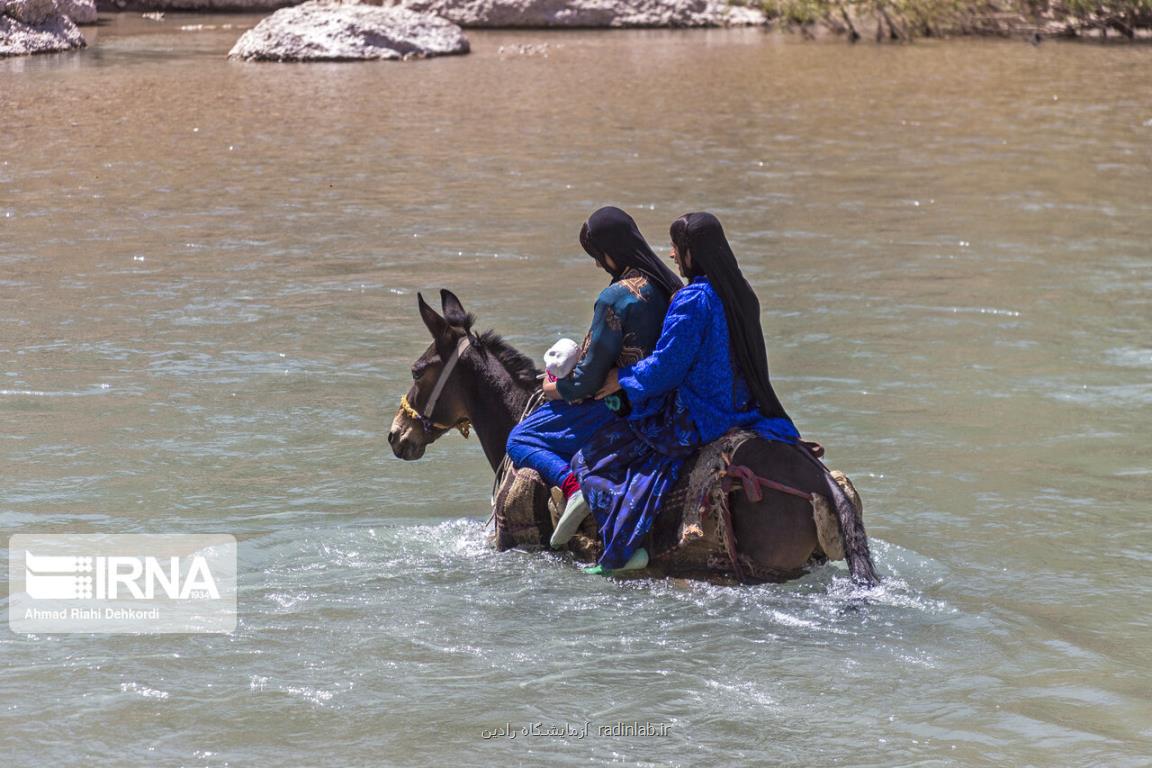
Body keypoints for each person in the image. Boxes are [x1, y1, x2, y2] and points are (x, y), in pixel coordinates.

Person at [558, 212, 800, 574]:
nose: (671, 255)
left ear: (691, 252)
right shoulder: (741, 293)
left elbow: (666, 368)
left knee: (596, 459)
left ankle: (622, 547)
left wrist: (621, 379)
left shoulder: (693, 300)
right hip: (747, 409)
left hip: (700, 415)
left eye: (676, 247)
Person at [505, 207, 682, 541]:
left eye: (598, 256)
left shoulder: (614, 298)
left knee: (519, 439)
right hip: (662, 398)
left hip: (616, 406)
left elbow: (587, 381)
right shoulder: (665, 285)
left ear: (610, 252)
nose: (598, 264)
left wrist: (553, 387)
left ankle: (574, 489)